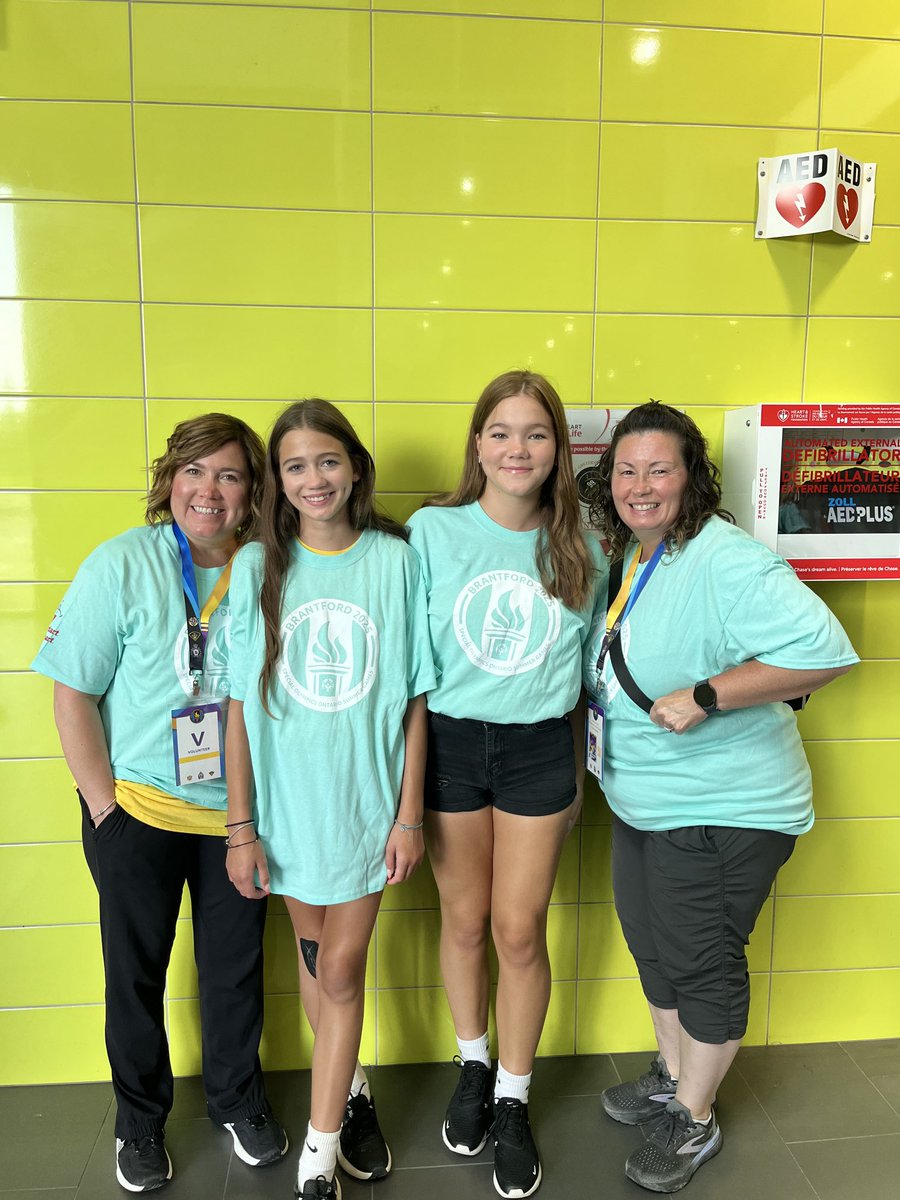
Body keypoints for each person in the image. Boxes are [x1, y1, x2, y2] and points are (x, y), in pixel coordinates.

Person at [584, 401, 858, 1193]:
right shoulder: (645, 553)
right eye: (627, 470)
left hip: (722, 809)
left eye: (658, 469)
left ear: (692, 477)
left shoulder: (723, 555)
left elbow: (826, 650)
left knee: (701, 964)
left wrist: (707, 695)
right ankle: (675, 1079)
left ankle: (695, 1120)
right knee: (655, 948)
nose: (641, 485)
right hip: (648, 804)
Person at [32, 414, 287, 1193]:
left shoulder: (271, 570)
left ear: (251, 496)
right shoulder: (122, 564)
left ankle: (239, 1104)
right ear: (169, 481)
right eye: (193, 472)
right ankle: (139, 1124)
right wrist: (105, 809)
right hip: (137, 811)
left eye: (229, 475)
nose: (207, 491)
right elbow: (71, 693)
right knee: (134, 976)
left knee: (234, 973)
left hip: (237, 819)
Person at [224, 400, 436, 1200]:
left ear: (354, 467)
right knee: (317, 963)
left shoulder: (395, 558)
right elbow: (241, 707)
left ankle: (318, 1159)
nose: (314, 479)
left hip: (364, 807)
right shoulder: (258, 566)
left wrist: (409, 815)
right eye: (294, 466)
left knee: (341, 968)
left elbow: (415, 700)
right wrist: (241, 828)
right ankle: (350, 1092)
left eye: (327, 461)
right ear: (278, 481)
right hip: (286, 812)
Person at [406, 370, 606, 1199]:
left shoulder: (583, 541)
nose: (516, 448)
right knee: (463, 919)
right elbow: (412, 668)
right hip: (450, 744)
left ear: (557, 448)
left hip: (537, 751)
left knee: (519, 931)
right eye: (501, 432)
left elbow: (595, 667)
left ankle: (514, 1097)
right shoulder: (431, 531)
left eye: (535, 433)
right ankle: (473, 1063)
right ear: (477, 445)